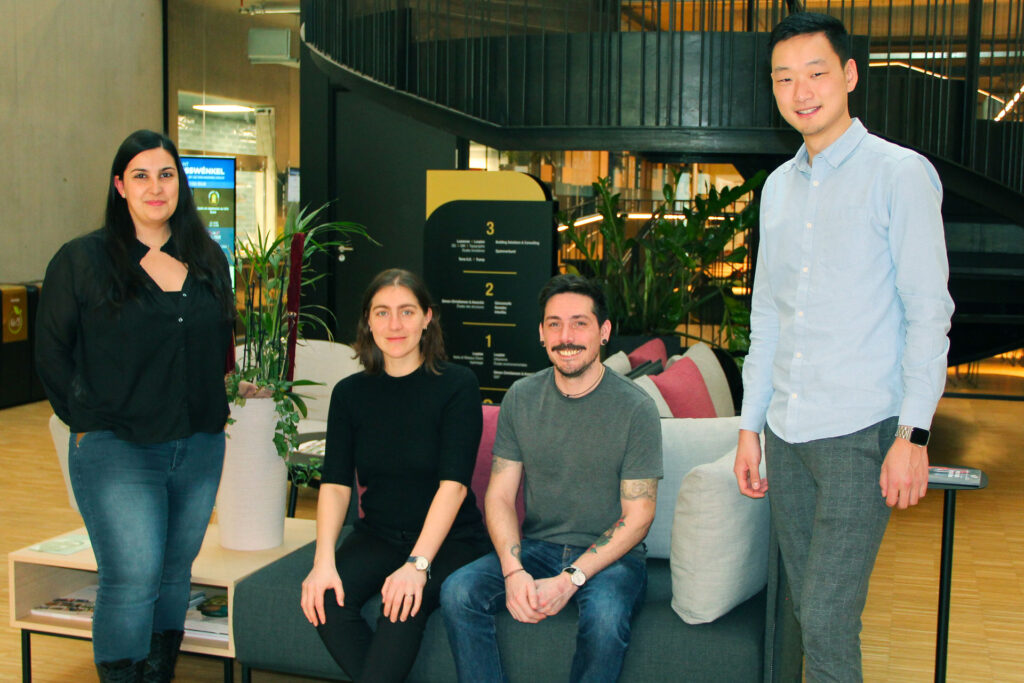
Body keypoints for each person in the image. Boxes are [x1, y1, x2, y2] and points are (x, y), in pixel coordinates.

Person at [733, 13, 955, 681]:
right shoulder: (777, 187)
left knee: (828, 617)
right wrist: (749, 427)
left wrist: (913, 434)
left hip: (861, 433)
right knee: (811, 613)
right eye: (784, 78)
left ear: (850, 75)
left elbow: (929, 311)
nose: (801, 91)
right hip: (786, 433)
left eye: (817, 72)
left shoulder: (899, 174)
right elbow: (767, 316)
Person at [35, 129, 235, 682]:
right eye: (141, 176)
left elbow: (216, 343)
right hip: (118, 449)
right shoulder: (82, 260)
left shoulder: (207, 257)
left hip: (198, 446)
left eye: (166, 175)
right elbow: (51, 352)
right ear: (119, 186)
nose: (155, 187)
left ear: (180, 184)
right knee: (132, 579)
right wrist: (85, 419)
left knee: (173, 576)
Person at [441, 274, 663, 683]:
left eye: (580, 323)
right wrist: (513, 571)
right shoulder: (521, 397)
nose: (566, 337)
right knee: (457, 592)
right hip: (537, 547)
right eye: (554, 324)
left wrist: (571, 579)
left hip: (612, 559)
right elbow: (500, 497)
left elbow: (639, 517)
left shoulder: (636, 409)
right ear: (541, 333)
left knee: (605, 618)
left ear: (604, 332)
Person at [299, 268, 489, 682]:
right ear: (368, 321)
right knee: (326, 599)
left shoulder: (457, 385)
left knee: (401, 607)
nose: (395, 324)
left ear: (427, 318)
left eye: (407, 311)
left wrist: (417, 565)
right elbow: (334, 485)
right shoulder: (349, 393)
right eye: (382, 312)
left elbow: (454, 487)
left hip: (449, 541)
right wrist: (323, 561)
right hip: (378, 535)